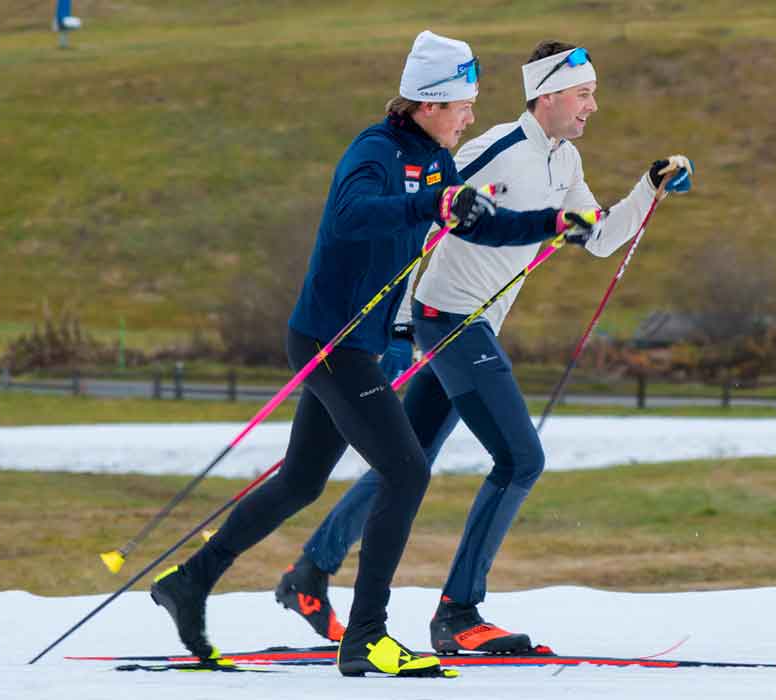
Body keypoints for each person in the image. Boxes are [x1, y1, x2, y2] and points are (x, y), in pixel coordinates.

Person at [149, 30, 604, 678]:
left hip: (358, 344)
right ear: (430, 103)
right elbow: (356, 214)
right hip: (330, 342)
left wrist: (549, 225)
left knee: (302, 481)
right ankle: (366, 636)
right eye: (463, 105)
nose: (472, 115)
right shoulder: (376, 151)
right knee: (407, 470)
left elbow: (478, 224)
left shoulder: (438, 161)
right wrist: (431, 203)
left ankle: (190, 582)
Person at [274, 40, 694, 655]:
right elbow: (423, 218)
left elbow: (597, 238)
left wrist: (647, 188)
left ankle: (310, 573)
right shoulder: (495, 148)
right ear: (547, 94)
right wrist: (394, 327)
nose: (592, 107)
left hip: (474, 324)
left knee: (407, 456)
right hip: (446, 319)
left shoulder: (565, 163)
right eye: (583, 94)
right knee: (521, 459)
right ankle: (458, 613)